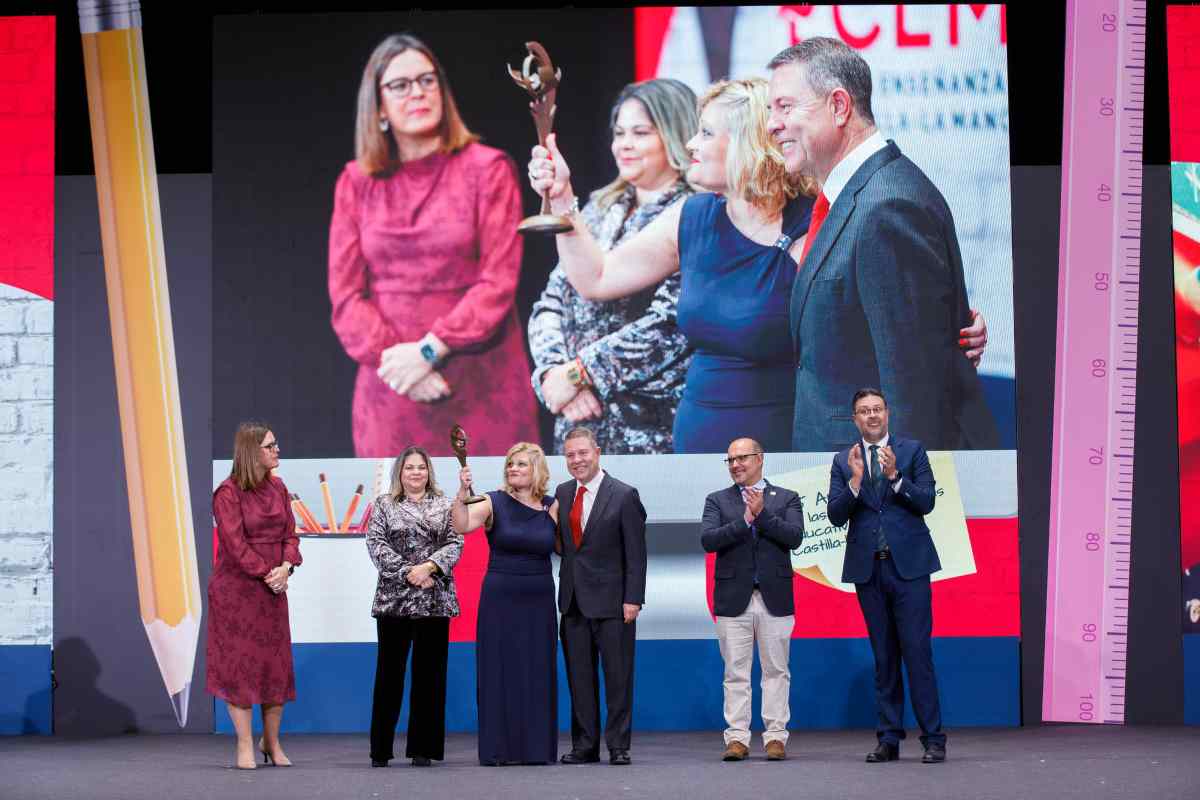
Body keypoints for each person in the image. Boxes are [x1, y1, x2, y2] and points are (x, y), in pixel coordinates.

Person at [529, 80, 990, 453]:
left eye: (707, 133)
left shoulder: (815, 220)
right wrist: (563, 199)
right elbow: (596, 277)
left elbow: (884, 317)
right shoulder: (693, 216)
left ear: (747, 144)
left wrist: (952, 337)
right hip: (696, 448)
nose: (690, 143)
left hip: (790, 448)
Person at [766, 38, 999, 452]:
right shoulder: (856, 196)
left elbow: (914, 387)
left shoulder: (888, 206)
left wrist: (897, 499)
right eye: (772, 110)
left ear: (839, 106)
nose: (772, 124)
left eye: (785, 107)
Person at [329, 33, 538, 457]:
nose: (418, 93)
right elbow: (347, 297)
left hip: (481, 384)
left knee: (493, 515)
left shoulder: (488, 169)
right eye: (401, 85)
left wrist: (429, 350)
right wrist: (402, 362)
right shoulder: (356, 182)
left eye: (427, 81)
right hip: (394, 387)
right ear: (378, 105)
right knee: (400, 518)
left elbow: (498, 283)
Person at [528, 79, 697, 454]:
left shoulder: (696, 212)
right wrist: (554, 375)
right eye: (619, 133)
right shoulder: (599, 207)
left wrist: (582, 374)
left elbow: (671, 324)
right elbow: (551, 301)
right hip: (579, 428)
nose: (624, 144)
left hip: (649, 429)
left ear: (677, 135)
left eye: (640, 133)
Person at [826, 388, 947, 764]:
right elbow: (834, 515)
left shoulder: (912, 451)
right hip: (869, 569)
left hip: (909, 568)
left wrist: (895, 477)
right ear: (855, 419)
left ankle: (933, 739)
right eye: (864, 411)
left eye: (877, 409)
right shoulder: (843, 461)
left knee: (917, 653)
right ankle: (889, 738)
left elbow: (926, 501)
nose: (872, 416)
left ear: (888, 413)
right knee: (884, 656)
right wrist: (855, 483)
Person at [452, 443, 559, 765]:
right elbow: (461, 525)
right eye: (510, 464)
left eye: (521, 464)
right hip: (500, 598)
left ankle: (536, 749)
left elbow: (565, 546)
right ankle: (499, 749)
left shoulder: (552, 506)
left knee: (537, 670)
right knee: (499, 671)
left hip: (540, 597)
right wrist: (461, 492)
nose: (513, 469)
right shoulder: (491, 501)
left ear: (537, 470)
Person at [701, 437, 804, 762]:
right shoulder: (717, 500)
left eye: (742, 458)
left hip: (775, 597)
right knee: (735, 672)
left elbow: (794, 537)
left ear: (760, 459)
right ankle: (737, 739)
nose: (735, 465)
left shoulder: (786, 498)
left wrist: (762, 517)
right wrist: (745, 520)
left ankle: (775, 737)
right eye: (730, 460)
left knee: (777, 670)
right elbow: (709, 540)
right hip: (733, 600)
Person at [207, 422, 302, 769]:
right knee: (241, 669)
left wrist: (286, 568)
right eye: (270, 446)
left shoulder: (278, 488)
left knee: (274, 668)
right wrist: (268, 573)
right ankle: (245, 744)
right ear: (252, 452)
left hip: (273, 589)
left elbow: (291, 536)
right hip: (237, 591)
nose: (277, 450)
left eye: (276, 444)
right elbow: (234, 546)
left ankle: (272, 743)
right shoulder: (227, 493)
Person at [553, 427, 647, 765]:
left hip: (614, 604)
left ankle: (618, 746)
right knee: (580, 680)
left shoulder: (624, 495)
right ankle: (585, 745)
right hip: (573, 602)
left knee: (618, 679)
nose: (577, 460)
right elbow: (564, 545)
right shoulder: (562, 494)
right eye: (570, 455)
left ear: (597, 452)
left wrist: (633, 599)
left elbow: (636, 554)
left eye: (582, 453)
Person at [365, 446, 463, 768]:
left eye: (421, 467)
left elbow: (455, 542)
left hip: (435, 600)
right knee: (389, 677)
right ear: (400, 473)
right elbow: (375, 544)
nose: (416, 473)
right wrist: (411, 571)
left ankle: (424, 749)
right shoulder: (383, 505)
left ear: (428, 472)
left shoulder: (445, 504)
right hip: (394, 602)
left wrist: (430, 567)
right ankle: (380, 750)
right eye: (410, 468)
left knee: (430, 678)